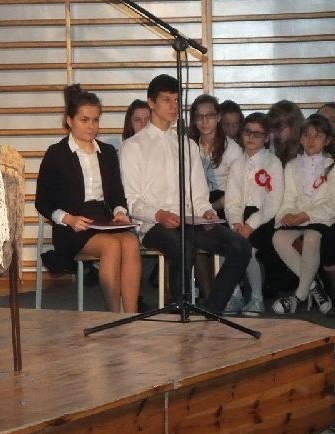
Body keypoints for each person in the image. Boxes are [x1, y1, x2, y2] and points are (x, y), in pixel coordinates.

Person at [120, 74, 251, 314]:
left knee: (240, 246)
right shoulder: (133, 146)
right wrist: (159, 215)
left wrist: (207, 211)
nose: (173, 106)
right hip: (153, 224)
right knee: (183, 245)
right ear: (151, 103)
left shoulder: (187, 145)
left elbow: (199, 194)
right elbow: (133, 201)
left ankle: (213, 309)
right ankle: (178, 308)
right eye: (166, 100)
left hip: (190, 220)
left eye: (176, 100)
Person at [36, 85, 141, 313]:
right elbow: (43, 201)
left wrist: (120, 212)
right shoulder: (56, 153)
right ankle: (113, 315)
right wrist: (69, 219)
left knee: (131, 242)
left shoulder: (107, 152)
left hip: (102, 219)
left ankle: (131, 314)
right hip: (72, 225)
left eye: (95, 120)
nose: (91, 126)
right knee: (112, 246)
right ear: (69, 120)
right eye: (84, 120)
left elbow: (117, 193)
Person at [270, 114, 335, 314]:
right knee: (278, 238)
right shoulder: (292, 166)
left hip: (322, 218)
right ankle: (314, 286)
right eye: (306, 135)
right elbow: (288, 197)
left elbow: (332, 202)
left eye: (317, 136)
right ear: (300, 139)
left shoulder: (332, 166)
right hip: (297, 216)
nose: (311, 140)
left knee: (312, 238)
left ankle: (298, 295)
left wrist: (306, 215)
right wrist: (288, 214)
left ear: (327, 140)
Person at [224, 113, 284, 315]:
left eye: (257, 134)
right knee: (224, 246)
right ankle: (235, 296)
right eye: (248, 132)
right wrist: (235, 222)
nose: (251, 137)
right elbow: (232, 200)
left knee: (246, 250)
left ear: (266, 138)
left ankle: (257, 298)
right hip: (240, 218)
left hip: (263, 218)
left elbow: (273, 202)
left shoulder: (272, 163)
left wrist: (250, 225)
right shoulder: (236, 164)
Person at [187, 94, 243, 307]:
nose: (204, 121)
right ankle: (209, 293)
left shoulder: (232, 149)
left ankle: (229, 293)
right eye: (199, 116)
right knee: (191, 237)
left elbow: (238, 189)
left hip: (225, 201)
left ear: (218, 117)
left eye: (209, 116)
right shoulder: (188, 146)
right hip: (196, 201)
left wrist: (214, 206)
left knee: (222, 236)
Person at [267, 99, 304, 167]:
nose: (276, 134)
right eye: (273, 129)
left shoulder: (305, 149)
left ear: (294, 126)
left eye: (280, 129)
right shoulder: (272, 145)